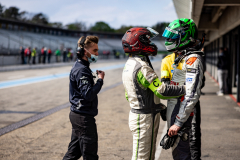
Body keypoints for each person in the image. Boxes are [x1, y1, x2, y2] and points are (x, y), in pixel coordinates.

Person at [122, 27, 186, 160]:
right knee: (142, 158)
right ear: (138, 43)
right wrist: (185, 88)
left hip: (140, 114)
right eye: (147, 40)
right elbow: (162, 91)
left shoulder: (130, 63)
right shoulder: (142, 67)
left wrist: (158, 107)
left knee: (145, 156)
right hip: (144, 119)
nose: (150, 43)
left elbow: (130, 94)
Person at [161, 18, 205, 160]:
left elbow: (192, 94)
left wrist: (178, 122)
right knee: (178, 153)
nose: (169, 40)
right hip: (177, 112)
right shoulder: (181, 57)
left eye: (173, 36)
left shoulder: (192, 59)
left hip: (184, 116)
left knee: (187, 153)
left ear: (185, 36)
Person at [63, 35, 104, 160]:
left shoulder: (82, 67)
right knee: (90, 155)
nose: (97, 53)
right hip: (83, 118)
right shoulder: (81, 70)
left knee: (73, 154)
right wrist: (100, 81)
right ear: (84, 52)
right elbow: (88, 95)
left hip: (79, 115)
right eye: (94, 50)